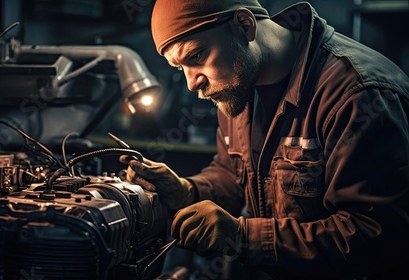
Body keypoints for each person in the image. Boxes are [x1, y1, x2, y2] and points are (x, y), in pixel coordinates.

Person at [120, 0, 409, 279]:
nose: (192, 82)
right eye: (179, 67)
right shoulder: (237, 85)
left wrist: (243, 237)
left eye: (196, 56)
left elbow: (377, 233)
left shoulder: (358, 94)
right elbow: (233, 176)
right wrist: (186, 191)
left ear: (244, 25)